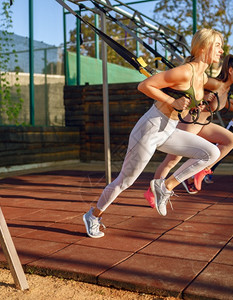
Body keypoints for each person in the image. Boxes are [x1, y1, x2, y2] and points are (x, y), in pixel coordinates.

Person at [83, 28, 224, 238]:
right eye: (218, 45)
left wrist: (196, 107)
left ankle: (165, 186)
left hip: (168, 129)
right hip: (150, 128)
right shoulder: (185, 71)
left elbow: (183, 104)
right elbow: (145, 85)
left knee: (211, 153)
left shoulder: (201, 76)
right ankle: (93, 215)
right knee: (124, 181)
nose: (222, 50)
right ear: (204, 47)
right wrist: (172, 101)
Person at [144, 55, 233, 203]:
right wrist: (203, 95)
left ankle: (202, 171)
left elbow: (227, 103)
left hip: (203, 125)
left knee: (230, 140)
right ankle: (152, 191)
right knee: (172, 160)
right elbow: (192, 86)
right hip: (189, 123)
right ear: (230, 70)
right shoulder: (214, 83)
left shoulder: (227, 89)